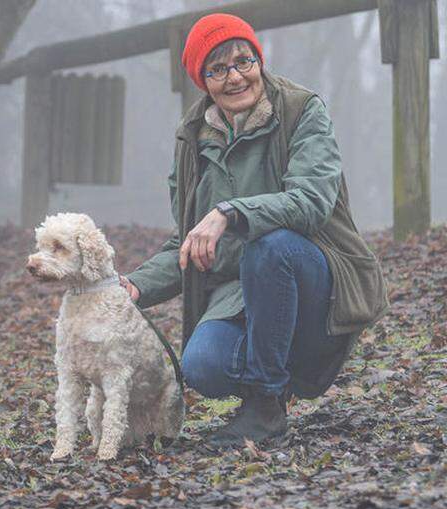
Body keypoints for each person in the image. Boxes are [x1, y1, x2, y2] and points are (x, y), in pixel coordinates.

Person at [122, 13, 387, 446]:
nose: (235, 77)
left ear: (259, 60)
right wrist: (135, 286)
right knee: (202, 366)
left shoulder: (302, 110)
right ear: (202, 81)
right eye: (218, 69)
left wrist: (230, 212)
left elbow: (311, 203)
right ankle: (271, 376)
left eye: (244, 61)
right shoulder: (192, 139)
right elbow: (187, 240)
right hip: (239, 293)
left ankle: (265, 407)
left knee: (271, 246)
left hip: (314, 280)